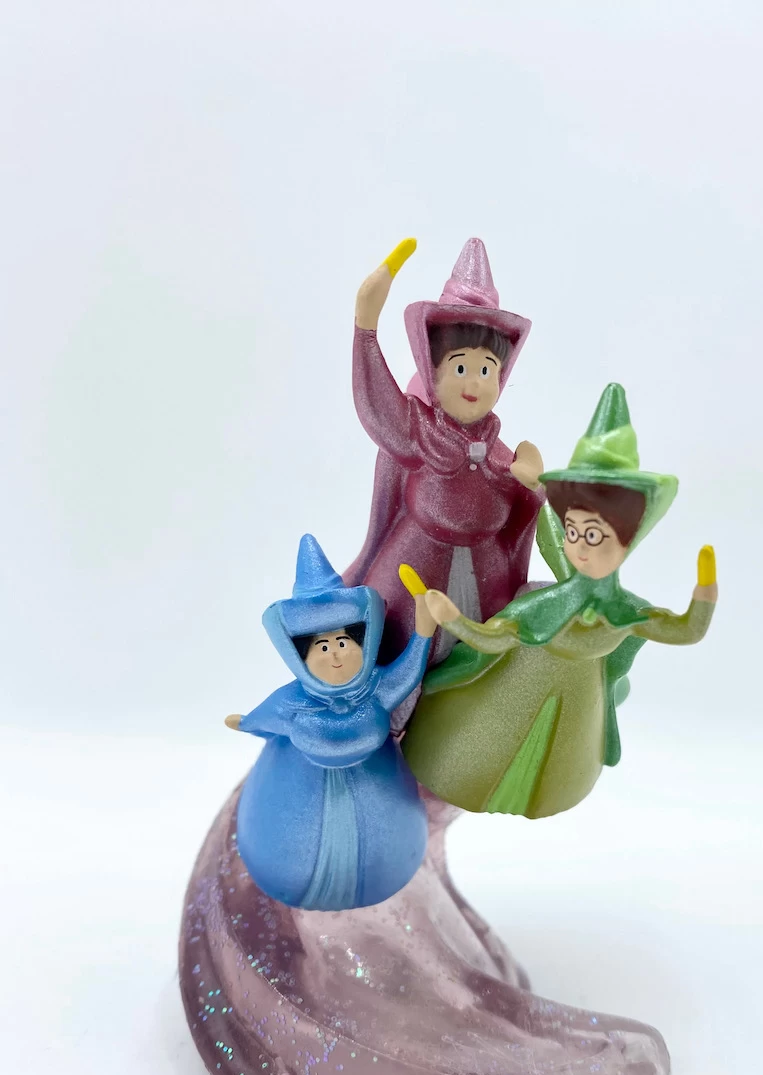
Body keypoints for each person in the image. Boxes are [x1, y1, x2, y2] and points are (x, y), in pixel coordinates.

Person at [401, 383, 718, 819]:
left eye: (596, 536)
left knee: (554, 778)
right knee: (471, 765)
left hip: (575, 714)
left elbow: (687, 630)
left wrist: (704, 592)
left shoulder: (627, 611)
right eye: (574, 533)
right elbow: (494, 638)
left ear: (627, 541)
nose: (582, 547)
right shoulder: (545, 605)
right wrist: (452, 619)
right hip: (500, 707)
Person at [346, 237, 545, 664]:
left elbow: (528, 495)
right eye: (460, 366)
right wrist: (366, 327)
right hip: (414, 573)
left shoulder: (497, 450)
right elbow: (377, 404)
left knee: (485, 660)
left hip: (486, 581)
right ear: (432, 369)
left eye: (486, 370)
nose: (474, 383)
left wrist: (531, 474)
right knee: (404, 653)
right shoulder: (418, 432)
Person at [225, 535, 436, 909]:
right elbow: (268, 717)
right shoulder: (294, 701)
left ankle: (379, 875)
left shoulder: (377, 689)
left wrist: (423, 628)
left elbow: (409, 671)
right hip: (297, 794)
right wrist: (245, 722)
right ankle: (294, 876)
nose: (336, 655)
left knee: (383, 846)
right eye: (322, 647)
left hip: (380, 795)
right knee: (289, 845)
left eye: (343, 642)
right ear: (300, 656)